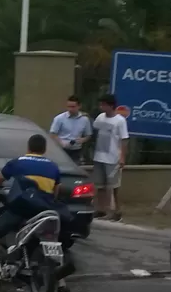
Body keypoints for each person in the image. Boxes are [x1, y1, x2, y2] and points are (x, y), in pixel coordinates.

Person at [0, 134, 72, 292]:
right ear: (44, 149)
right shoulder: (53, 167)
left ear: (28, 147)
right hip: (46, 210)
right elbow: (55, 193)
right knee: (53, 241)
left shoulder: (17, 163)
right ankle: (62, 285)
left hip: (23, 208)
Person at [92, 93, 129, 221]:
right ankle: (100, 209)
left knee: (113, 187)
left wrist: (122, 157)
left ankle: (116, 211)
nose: (101, 107)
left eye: (104, 104)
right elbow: (95, 130)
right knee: (100, 186)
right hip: (99, 156)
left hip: (113, 157)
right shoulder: (100, 118)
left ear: (111, 106)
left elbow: (124, 139)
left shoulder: (120, 120)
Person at [49, 95, 92, 164]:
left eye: (73, 107)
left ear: (79, 106)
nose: (70, 109)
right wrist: (61, 143)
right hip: (62, 149)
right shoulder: (60, 118)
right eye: (68, 107)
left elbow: (88, 135)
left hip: (76, 150)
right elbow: (53, 134)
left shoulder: (85, 120)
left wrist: (83, 140)